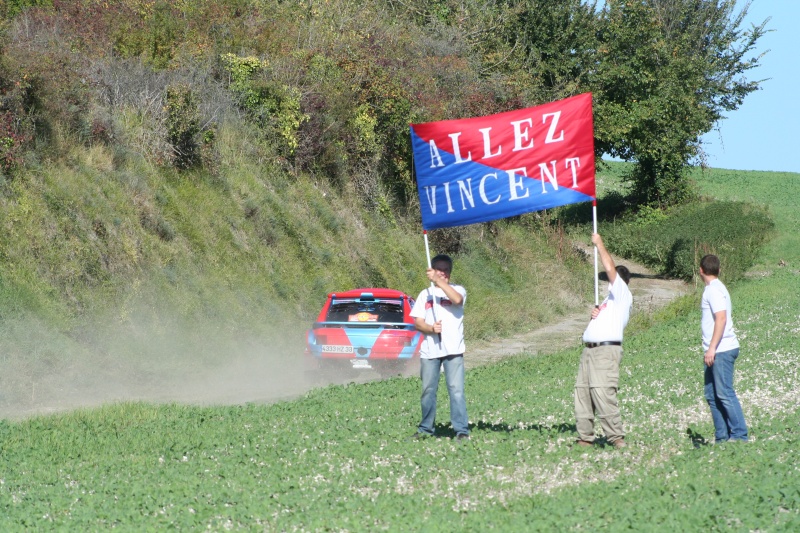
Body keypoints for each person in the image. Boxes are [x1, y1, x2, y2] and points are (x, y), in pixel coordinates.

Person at [574, 233, 632, 449]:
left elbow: (610, 268)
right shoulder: (608, 302)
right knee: (583, 393)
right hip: (589, 351)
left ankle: (616, 438)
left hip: (605, 352)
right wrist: (593, 317)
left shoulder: (623, 294)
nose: (606, 281)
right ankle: (584, 438)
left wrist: (599, 244)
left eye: (609, 278)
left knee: (602, 392)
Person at [409, 254, 470, 442]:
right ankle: (426, 429)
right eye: (439, 269)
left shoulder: (458, 290)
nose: (443, 273)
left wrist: (438, 281)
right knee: (428, 390)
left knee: (456, 390)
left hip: (453, 349)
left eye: (446, 270)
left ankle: (461, 430)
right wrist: (430, 329)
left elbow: (457, 300)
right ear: (432, 270)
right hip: (430, 351)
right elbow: (417, 322)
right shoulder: (424, 294)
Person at [699, 254, 748, 443]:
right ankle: (722, 437)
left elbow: (721, 318)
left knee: (725, 393)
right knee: (711, 395)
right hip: (715, 350)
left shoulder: (713, 291)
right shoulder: (718, 288)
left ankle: (739, 435)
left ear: (701, 270)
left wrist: (712, 348)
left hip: (721, 349)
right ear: (719, 270)